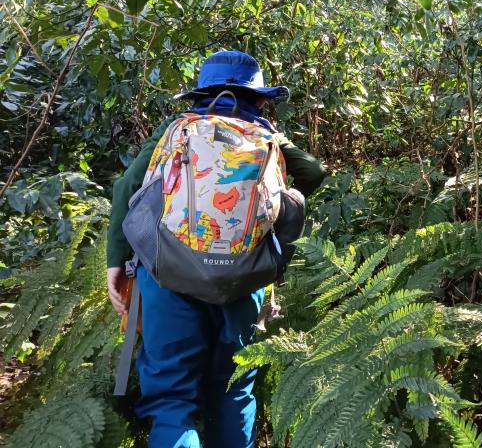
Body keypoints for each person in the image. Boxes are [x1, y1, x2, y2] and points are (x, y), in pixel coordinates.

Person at [106, 50, 326, 448]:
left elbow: (127, 189)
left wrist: (115, 263)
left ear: (200, 93)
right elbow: (313, 171)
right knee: (233, 388)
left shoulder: (178, 128)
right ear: (260, 100)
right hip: (244, 278)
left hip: (168, 275)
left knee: (172, 399)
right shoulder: (265, 134)